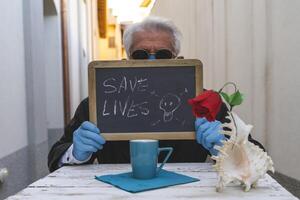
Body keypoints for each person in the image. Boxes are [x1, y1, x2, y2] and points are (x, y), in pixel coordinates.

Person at [48, 16, 264, 172]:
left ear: (178, 61)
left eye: (163, 54)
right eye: (141, 55)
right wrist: (76, 152)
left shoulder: (207, 104)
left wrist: (226, 146)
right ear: (127, 61)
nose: (152, 62)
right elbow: (55, 157)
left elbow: (259, 158)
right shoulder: (97, 105)